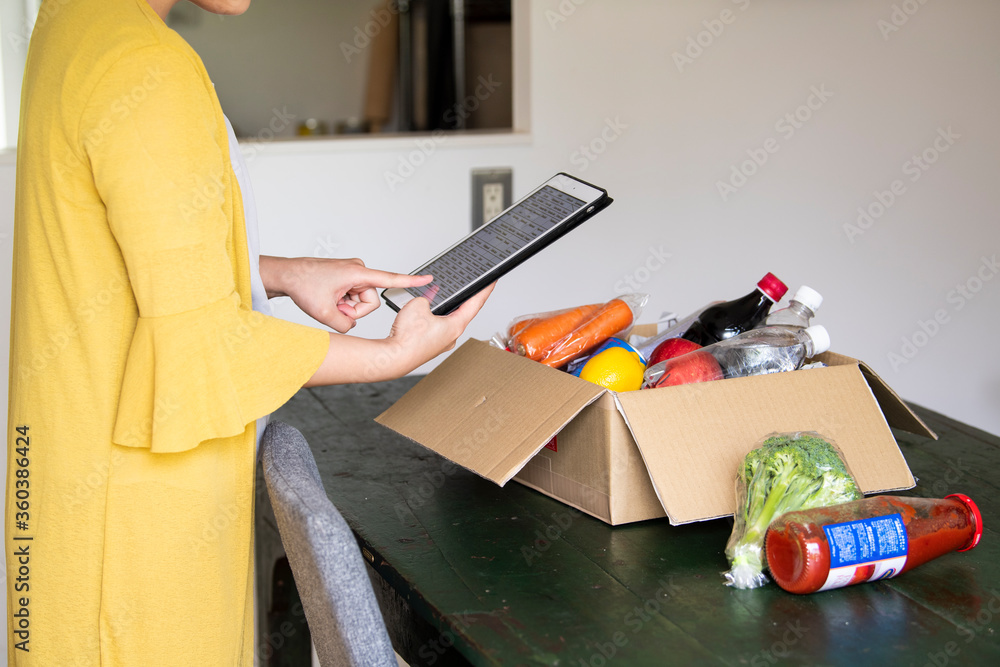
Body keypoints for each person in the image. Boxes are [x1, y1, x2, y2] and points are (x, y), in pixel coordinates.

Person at [4, 0, 493, 663]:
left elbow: (115, 255)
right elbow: (203, 345)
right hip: (138, 533)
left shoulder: (76, 21)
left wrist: (286, 272)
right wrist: (395, 353)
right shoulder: (147, 68)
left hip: (68, 484)